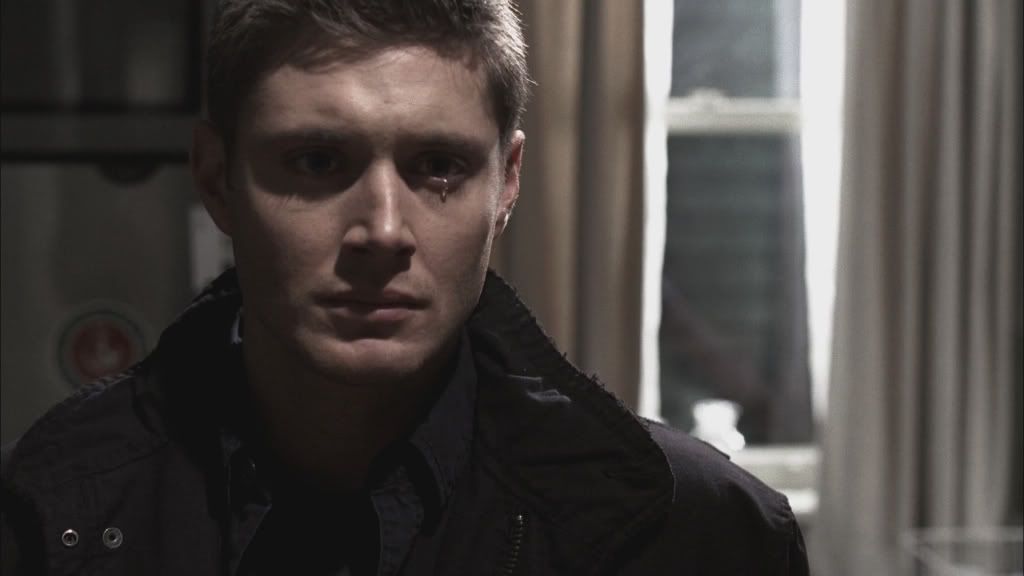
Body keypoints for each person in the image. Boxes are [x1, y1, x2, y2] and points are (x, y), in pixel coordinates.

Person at [1, 1, 809, 574]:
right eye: (318, 161)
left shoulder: (699, 534)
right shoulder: (51, 508)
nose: (383, 230)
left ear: (507, 183)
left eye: (439, 166)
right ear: (217, 178)